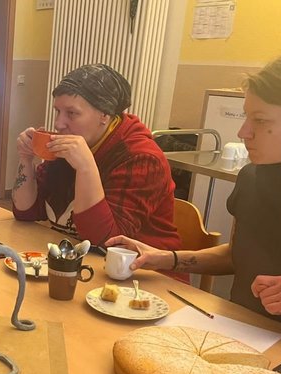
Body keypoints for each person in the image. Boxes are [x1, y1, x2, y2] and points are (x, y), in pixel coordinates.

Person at [106, 50, 281, 334]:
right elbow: (239, 254)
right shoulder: (254, 177)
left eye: (261, 121)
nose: (243, 132)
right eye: (246, 117)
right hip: (241, 328)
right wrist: (166, 257)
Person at [12, 64, 181, 251]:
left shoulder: (143, 159)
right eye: (57, 111)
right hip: (81, 261)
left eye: (72, 113)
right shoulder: (74, 142)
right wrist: (25, 158)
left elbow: (106, 240)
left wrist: (85, 167)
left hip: (146, 274)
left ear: (104, 115)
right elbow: (26, 212)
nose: (58, 124)